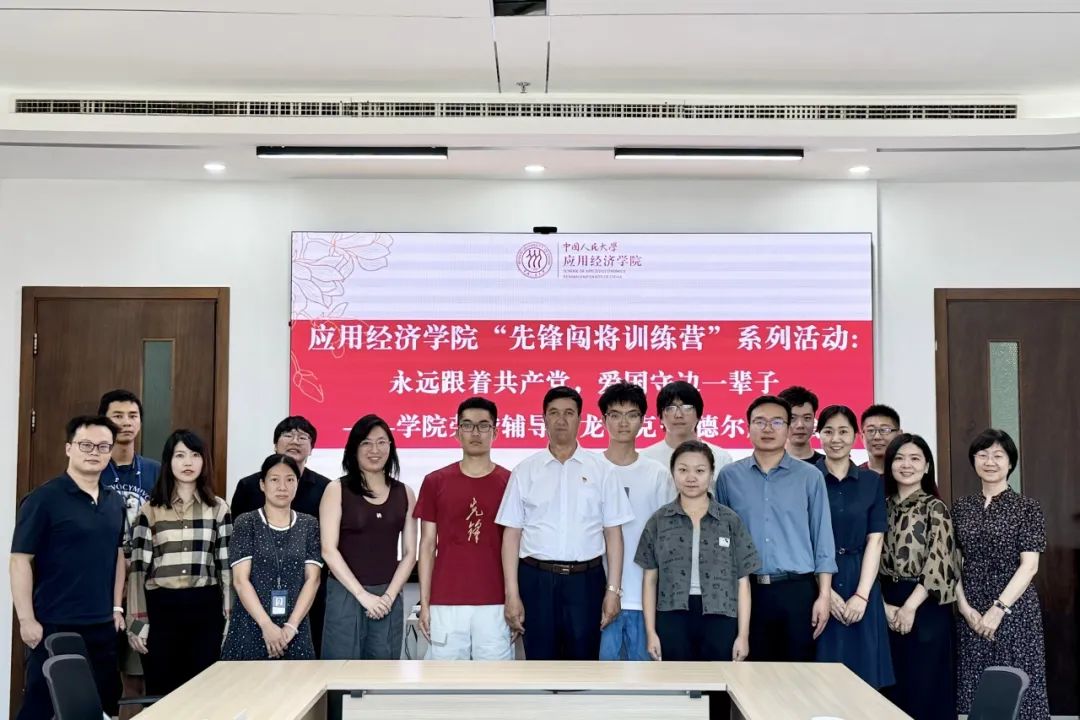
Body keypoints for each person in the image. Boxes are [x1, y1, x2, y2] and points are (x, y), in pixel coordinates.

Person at [496, 386, 634, 661]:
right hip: (536, 580)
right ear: (544, 419)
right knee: (540, 664)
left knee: (583, 665)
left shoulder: (602, 470)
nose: (561, 420)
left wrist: (613, 591)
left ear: (580, 420)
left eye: (569, 413)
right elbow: (511, 535)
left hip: (586, 582)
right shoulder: (525, 470)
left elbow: (614, 535)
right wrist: (512, 593)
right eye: (554, 413)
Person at [10, 415, 126, 720]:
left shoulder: (115, 502)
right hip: (54, 624)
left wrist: (116, 607)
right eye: (86, 445)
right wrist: (26, 620)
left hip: (102, 626)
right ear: (68, 448)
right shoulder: (43, 499)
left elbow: (118, 555)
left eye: (103, 446)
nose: (94, 452)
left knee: (103, 708)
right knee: (40, 709)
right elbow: (20, 560)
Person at [716, 395, 836, 661]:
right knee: (750, 674)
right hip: (747, 591)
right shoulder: (729, 477)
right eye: (760, 422)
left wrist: (824, 595)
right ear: (747, 428)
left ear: (788, 428)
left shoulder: (810, 477)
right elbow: (722, 539)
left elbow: (822, 537)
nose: (768, 428)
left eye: (777, 422)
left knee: (797, 675)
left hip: (797, 590)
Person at [126, 429, 232, 696]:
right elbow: (138, 571)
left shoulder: (218, 508)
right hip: (161, 608)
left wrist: (230, 616)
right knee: (162, 693)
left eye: (195, 455)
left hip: (205, 608)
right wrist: (137, 623)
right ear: (168, 461)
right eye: (180, 455)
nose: (188, 462)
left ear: (204, 461)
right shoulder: (150, 510)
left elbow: (225, 567)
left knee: (204, 693)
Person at [953, 429, 1049, 720]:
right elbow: (952, 562)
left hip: (1014, 610)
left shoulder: (1027, 508)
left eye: (998, 455)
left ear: (1010, 463)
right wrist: (964, 607)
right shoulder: (961, 507)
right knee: (976, 691)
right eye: (982, 455)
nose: (990, 462)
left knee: (1016, 689)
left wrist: (998, 609)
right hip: (971, 611)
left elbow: (1029, 566)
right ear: (974, 461)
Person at [638, 440, 758, 662]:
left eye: (700, 471)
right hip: (672, 615)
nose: (691, 477)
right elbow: (649, 580)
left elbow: (743, 583)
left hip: (720, 614)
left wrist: (743, 636)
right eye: (683, 470)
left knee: (718, 680)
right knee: (677, 679)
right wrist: (651, 632)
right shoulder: (659, 521)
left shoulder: (730, 520)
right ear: (673, 473)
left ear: (711, 474)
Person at [415, 397, 513, 660]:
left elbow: (516, 546)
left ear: (495, 432)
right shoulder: (435, 481)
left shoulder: (510, 482)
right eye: (467, 425)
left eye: (483, 426)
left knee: (496, 680)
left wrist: (515, 599)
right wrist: (425, 602)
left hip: (496, 602)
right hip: (446, 601)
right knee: (445, 680)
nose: (475, 433)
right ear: (457, 432)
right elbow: (427, 545)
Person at [231, 416, 331, 656]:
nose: (282, 487)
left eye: (303, 437)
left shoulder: (325, 490)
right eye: (288, 435)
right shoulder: (247, 492)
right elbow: (240, 576)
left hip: (302, 608)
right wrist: (267, 626)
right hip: (253, 613)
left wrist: (291, 626)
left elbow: (314, 576)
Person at [319, 415, 417, 660]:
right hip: (346, 593)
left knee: (383, 672)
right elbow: (328, 550)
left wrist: (388, 597)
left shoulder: (405, 493)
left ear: (390, 447)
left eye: (382, 442)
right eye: (366, 443)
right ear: (354, 448)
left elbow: (410, 554)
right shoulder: (336, 489)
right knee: (340, 670)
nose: (375, 450)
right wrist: (362, 596)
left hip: (387, 597)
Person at [812, 405, 893, 689]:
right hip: (818, 580)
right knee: (820, 679)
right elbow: (804, 539)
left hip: (861, 578)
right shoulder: (807, 477)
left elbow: (875, 539)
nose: (836, 439)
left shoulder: (872, 481)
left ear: (855, 436)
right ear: (819, 435)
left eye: (843, 431)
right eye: (828, 431)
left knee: (864, 676)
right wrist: (826, 592)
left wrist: (862, 595)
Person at [879, 433, 959, 720]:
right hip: (885, 602)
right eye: (899, 458)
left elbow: (940, 561)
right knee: (891, 687)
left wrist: (909, 608)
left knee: (925, 687)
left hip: (925, 604)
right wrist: (882, 606)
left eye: (915, 459)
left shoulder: (935, 507)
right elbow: (867, 559)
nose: (906, 465)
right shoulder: (880, 505)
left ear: (926, 466)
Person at [596, 382, 675, 661]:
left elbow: (667, 537)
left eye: (631, 415)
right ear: (603, 420)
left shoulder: (657, 473)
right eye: (615, 415)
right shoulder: (591, 468)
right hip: (598, 597)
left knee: (643, 680)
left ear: (643, 421)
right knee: (598, 681)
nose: (623, 423)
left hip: (645, 599)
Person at [97, 389, 161, 710]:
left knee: (137, 678)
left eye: (132, 416)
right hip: (99, 584)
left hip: (142, 584)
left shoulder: (155, 471)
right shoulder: (92, 468)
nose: (126, 422)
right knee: (100, 675)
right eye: (117, 416)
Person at [641, 381, 733, 485]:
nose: (678, 415)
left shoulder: (720, 458)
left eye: (687, 408)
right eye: (670, 408)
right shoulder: (645, 458)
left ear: (699, 415)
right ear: (661, 417)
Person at [778, 386, 824, 464]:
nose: (800, 425)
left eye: (807, 418)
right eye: (792, 418)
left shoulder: (827, 465)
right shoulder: (767, 465)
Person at [859, 404, 901, 475]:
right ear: (862, 436)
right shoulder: (853, 477)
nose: (877, 437)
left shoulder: (908, 474)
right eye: (871, 430)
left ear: (899, 435)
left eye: (884, 430)